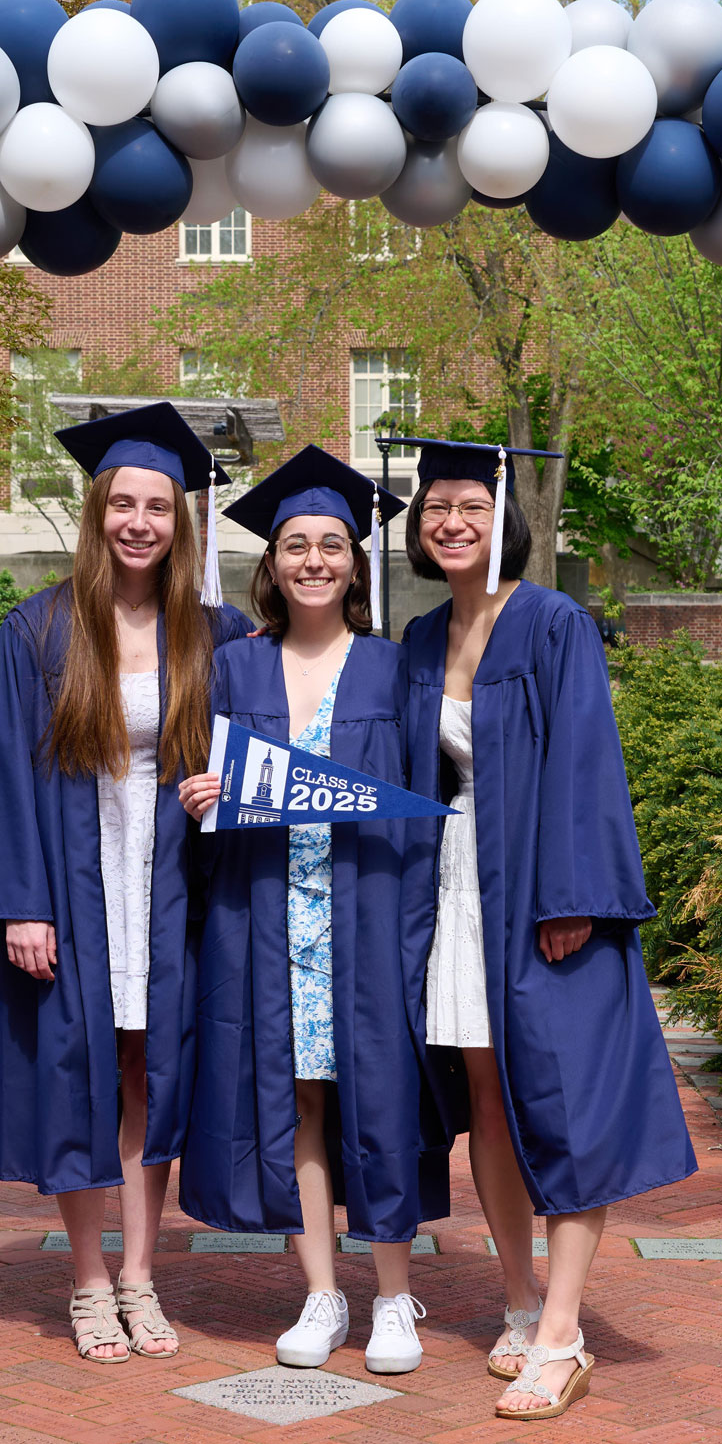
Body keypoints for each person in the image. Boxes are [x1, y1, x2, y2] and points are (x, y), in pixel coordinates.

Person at [0, 402, 250, 1366]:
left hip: (174, 889)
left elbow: (267, 753)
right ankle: (86, 1283)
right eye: (121, 503)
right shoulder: (36, 631)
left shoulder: (217, 632)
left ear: (179, 522)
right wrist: (21, 904)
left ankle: (141, 1278)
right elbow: (3, 769)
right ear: (96, 512)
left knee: (151, 1079)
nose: (138, 523)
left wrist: (227, 788)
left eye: (157, 507)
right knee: (80, 1075)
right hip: (74, 890)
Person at [399, 438, 694, 1421]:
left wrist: (574, 896)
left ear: (504, 520)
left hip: (538, 888)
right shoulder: (421, 636)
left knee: (560, 1102)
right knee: (486, 1096)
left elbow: (586, 760)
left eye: (471, 507)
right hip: (453, 885)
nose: (452, 522)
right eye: (436, 506)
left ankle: (564, 1335)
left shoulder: (554, 622)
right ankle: (519, 1301)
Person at [176, 447, 449, 1375]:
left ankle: (393, 1299)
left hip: (367, 915)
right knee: (296, 1103)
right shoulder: (233, 668)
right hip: (266, 915)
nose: (314, 560)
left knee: (379, 1100)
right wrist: (202, 799)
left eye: (332, 544)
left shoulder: (390, 667)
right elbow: (207, 800)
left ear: (356, 563)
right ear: (271, 563)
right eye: (296, 544)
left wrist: (416, 929)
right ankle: (321, 1295)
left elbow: (420, 804)